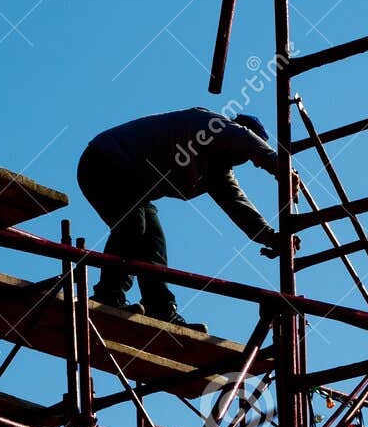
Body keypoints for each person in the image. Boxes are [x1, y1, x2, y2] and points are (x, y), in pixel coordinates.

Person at [76, 108, 282, 333]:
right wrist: (279, 167)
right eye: (246, 153)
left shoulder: (217, 172)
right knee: (133, 225)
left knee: (153, 243)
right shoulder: (207, 124)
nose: (243, 160)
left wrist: (269, 237)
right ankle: (108, 295)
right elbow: (242, 137)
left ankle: (161, 309)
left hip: (135, 187)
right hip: (103, 163)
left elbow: (238, 205)